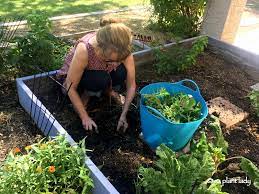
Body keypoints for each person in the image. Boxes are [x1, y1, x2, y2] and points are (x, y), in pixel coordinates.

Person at [57, 18, 136, 133]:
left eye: (117, 60)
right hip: (77, 81)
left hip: (101, 75)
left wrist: (123, 114)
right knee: (98, 79)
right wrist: (84, 117)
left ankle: (107, 91)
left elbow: (131, 85)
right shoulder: (85, 50)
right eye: (110, 60)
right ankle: (85, 95)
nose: (114, 64)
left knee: (120, 71)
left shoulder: (122, 49)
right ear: (99, 49)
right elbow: (70, 86)